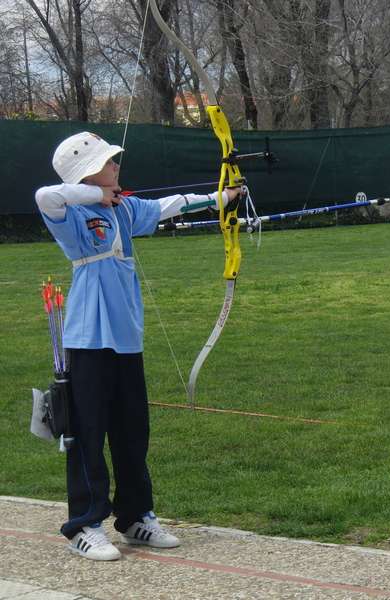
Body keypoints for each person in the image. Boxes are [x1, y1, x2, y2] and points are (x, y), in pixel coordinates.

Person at [35, 131, 240, 561]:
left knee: (132, 431)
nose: (117, 168)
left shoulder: (126, 208)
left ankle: (134, 517)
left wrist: (222, 198)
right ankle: (83, 525)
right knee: (87, 432)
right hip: (88, 337)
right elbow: (45, 196)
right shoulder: (72, 215)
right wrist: (93, 195)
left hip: (127, 337)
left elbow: (173, 204)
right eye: (109, 163)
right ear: (88, 174)